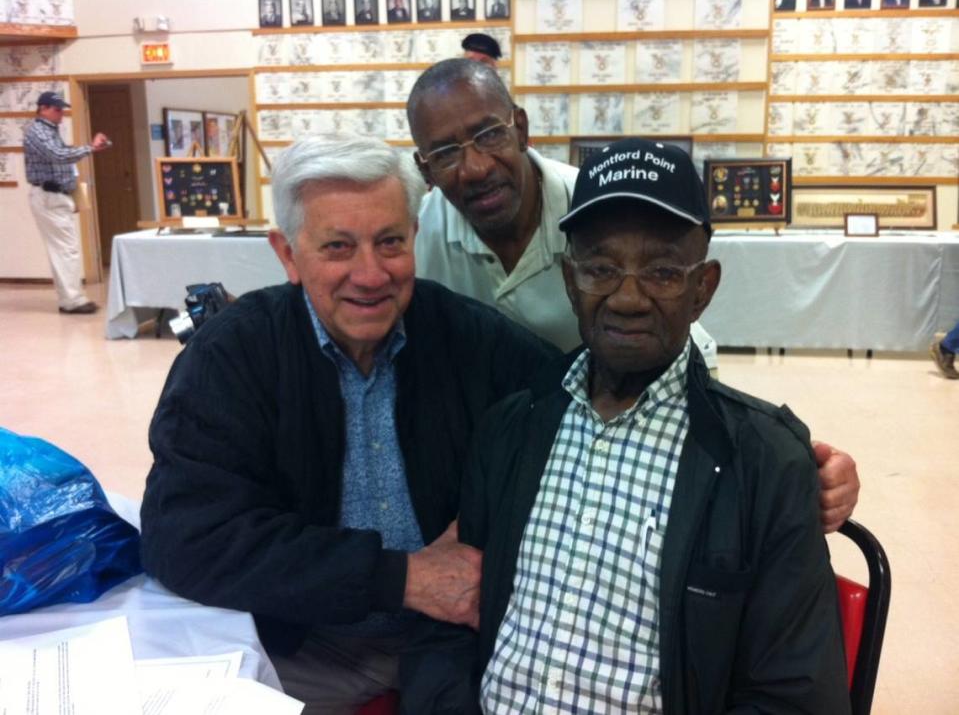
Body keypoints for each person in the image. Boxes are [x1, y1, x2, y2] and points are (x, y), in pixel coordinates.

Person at [139, 135, 558, 714]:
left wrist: (493, 520)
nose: (370, 275)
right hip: (303, 643)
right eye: (338, 247)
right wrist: (400, 577)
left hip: (459, 641)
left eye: (390, 242)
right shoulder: (231, 355)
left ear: (415, 237)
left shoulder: (471, 337)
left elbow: (570, 420)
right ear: (287, 254)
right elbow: (184, 538)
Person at [459, 138, 852, 713]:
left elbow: (795, 695)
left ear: (703, 289)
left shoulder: (765, 463)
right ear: (570, 281)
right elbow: (448, 627)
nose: (627, 298)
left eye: (664, 271)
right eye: (600, 267)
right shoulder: (510, 431)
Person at [406, 59, 860, 531]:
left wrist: (766, 455)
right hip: (487, 448)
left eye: (489, 135)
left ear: (521, 128)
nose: (475, 167)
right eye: (445, 153)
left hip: (594, 431)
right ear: (426, 169)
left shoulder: (593, 210)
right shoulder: (413, 239)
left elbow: (675, 333)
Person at [22, 91, 110, 315]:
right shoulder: (36, 131)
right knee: (66, 250)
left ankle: (69, 298)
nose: (61, 114)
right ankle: (73, 300)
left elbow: (63, 153)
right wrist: (91, 148)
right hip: (48, 196)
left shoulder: (51, 130)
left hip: (58, 196)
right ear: (43, 108)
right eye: (57, 109)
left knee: (64, 249)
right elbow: (58, 155)